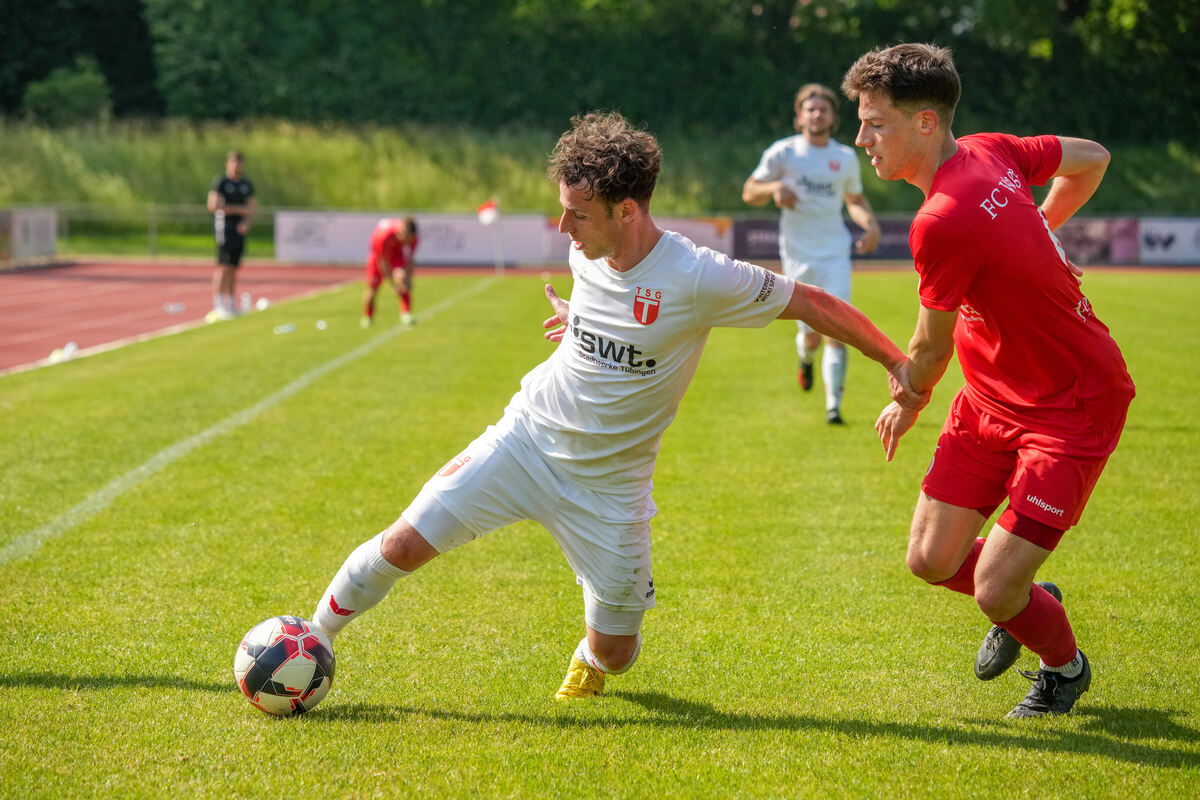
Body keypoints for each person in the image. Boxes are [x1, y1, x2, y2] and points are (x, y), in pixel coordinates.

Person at [310, 111, 922, 701]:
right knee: (402, 546)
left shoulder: (698, 275)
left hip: (611, 488)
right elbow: (610, 310)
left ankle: (589, 652)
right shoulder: (588, 249)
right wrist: (578, 323)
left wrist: (897, 363)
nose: (563, 229)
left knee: (617, 653)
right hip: (524, 442)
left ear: (627, 210)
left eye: (577, 214)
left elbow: (814, 303)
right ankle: (313, 639)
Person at [842, 43, 1135, 718]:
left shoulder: (940, 220)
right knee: (929, 557)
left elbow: (927, 346)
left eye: (875, 123)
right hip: (990, 399)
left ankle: (1064, 669)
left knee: (996, 590)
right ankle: (1037, 601)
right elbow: (1093, 157)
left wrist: (909, 398)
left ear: (924, 123)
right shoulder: (990, 149)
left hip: (1073, 406)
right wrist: (1042, 223)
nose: (862, 139)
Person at [743, 83, 881, 424]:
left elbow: (854, 200)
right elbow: (749, 191)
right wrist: (775, 187)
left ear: (833, 117)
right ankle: (805, 358)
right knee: (811, 335)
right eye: (810, 109)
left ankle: (833, 407)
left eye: (823, 109)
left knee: (839, 329)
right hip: (797, 255)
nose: (817, 114)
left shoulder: (844, 158)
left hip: (834, 254)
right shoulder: (784, 153)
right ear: (799, 117)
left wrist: (871, 225)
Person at [206, 151, 256, 321]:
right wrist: (238, 210)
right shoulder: (221, 182)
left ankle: (231, 302)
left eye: (239, 163)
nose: (236, 166)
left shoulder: (246, 184)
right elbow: (213, 205)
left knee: (234, 267)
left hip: (239, 230)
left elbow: (252, 207)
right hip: (225, 227)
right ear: (228, 163)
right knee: (223, 266)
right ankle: (218, 304)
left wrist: (246, 222)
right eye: (233, 162)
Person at [362, 217, 419, 328]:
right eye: (407, 238)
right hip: (378, 257)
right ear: (402, 232)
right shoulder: (384, 236)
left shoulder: (413, 238)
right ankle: (368, 317)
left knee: (403, 278)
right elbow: (383, 262)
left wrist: (408, 279)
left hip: (396, 254)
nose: (408, 241)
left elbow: (411, 259)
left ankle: (406, 313)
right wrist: (393, 285)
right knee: (373, 288)